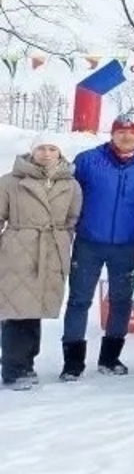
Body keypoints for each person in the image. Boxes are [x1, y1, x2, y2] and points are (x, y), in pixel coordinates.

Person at [59, 110, 134, 379]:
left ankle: (110, 358)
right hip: (88, 242)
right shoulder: (87, 161)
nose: (126, 136)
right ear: (112, 133)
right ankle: (72, 362)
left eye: (132, 132)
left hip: (127, 245)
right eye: (121, 131)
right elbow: (66, 197)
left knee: (121, 301)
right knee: (78, 300)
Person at [0, 132, 83, 390]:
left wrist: (61, 241)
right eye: (41, 148)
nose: (46, 153)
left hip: (50, 251)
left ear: (60, 153)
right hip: (17, 251)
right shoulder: (10, 182)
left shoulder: (71, 185)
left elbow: (72, 218)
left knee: (34, 311)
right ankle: (14, 369)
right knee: (16, 310)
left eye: (52, 149)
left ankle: (27, 364)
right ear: (32, 152)